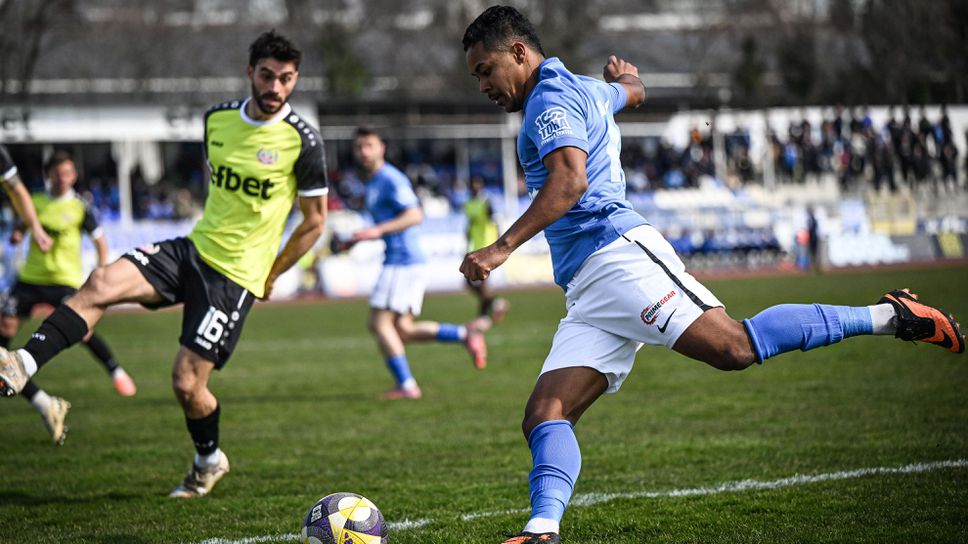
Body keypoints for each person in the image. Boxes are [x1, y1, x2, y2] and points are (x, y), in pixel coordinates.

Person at [459, 7, 964, 543]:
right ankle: (542, 532)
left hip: (617, 258)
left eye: (485, 70)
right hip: (589, 286)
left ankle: (893, 315)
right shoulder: (581, 87)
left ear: (518, 52)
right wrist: (626, 81)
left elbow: (569, 181)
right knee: (545, 413)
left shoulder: (548, 101)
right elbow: (631, 93)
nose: (484, 85)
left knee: (734, 348)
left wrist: (500, 248)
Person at [0, 30, 329, 498]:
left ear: (295, 81)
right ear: (249, 72)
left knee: (186, 383)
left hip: (235, 276)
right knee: (101, 280)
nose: (275, 88)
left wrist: (269, 274)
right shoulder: (216, 120)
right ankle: (22, 363)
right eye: (267, 75)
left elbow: (315, 223)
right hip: (192, 249)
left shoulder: (304, 141)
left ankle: (208, 461)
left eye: (287, 79)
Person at [3, 152, 138, 445]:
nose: (63, 178)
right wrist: (17, 234)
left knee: (84, 331)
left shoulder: (80, 207)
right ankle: (43, 402)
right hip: (29, 280)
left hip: (64, 280)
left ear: (74, 176)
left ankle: (115, 370)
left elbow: (100, 241)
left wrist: (102, 275)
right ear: (48, 174)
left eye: (68, 173)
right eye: (57, 173)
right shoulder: (34, 202)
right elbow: (21, 228)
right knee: (3, 347)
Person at [349, 127, 487, 400]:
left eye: (369, 145)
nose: (363, 152)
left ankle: (408, 385)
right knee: (404, 330)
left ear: (382, 148)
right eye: (359, 147)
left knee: (379, 323)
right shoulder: (374, 181)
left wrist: (378, 231)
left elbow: (414, 215)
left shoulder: (390, 178)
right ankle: (465, 334)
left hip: (403, 260)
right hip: (400, 259)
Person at [463, 175, 510, 330]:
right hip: (474, 245)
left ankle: (483, 316)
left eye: (477, 183)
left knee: (479, 281)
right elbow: (470, 225)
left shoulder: (487, 202)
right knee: (472, 282)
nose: (475, 186)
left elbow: (496, 222)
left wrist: (498, 246)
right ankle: (496, 304)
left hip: (487, 245)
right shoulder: (469, 203)